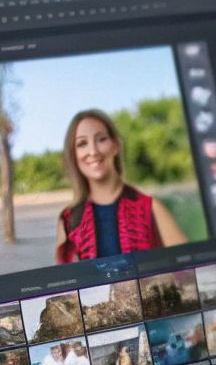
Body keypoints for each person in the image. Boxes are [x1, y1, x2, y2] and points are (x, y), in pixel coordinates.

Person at [54, 109, 188, 263]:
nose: (93, 151)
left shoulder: (151, 208)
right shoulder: (68, 220)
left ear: (116, 145)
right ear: (73, 154)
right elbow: (65, 284)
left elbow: (188, 269)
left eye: (101, 139)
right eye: (82, 143)